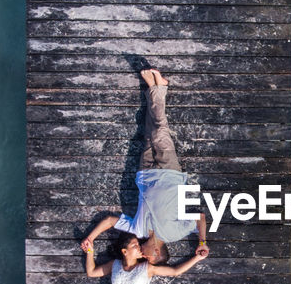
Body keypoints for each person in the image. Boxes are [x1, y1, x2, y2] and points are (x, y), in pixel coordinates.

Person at [80, 69, 209, 265]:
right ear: (156, 252)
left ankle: (155, 88)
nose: (142, 255)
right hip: (170, 173)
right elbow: (200, 217)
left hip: (145, 173)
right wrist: (202, 242)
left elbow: (109, 221)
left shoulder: (138, 231)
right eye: (147, 257)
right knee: (159, 132)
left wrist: (91, 237)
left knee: (150, 132)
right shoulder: (175, 233)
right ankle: (160, 89)